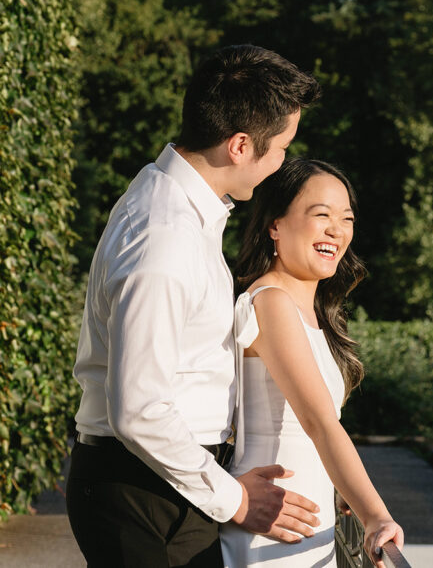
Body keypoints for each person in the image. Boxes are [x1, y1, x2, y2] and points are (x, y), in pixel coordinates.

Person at [67, 45, 324, 567]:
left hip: (164, 485)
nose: (282, 164)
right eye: (280, 149)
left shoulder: (175, 206)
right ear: (239, 145)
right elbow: (139, 410)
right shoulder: (164, 238)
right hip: (145, 495)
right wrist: (237, 501)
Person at [220, 158, 405, 568]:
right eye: (321, 215)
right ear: (275, 225)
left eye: (346, 218)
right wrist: (376, 515)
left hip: (308, 524)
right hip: (274, 525)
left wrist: (340, 490)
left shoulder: (311, 313)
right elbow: (319, 422)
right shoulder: (271, 300)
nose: (337, 230)